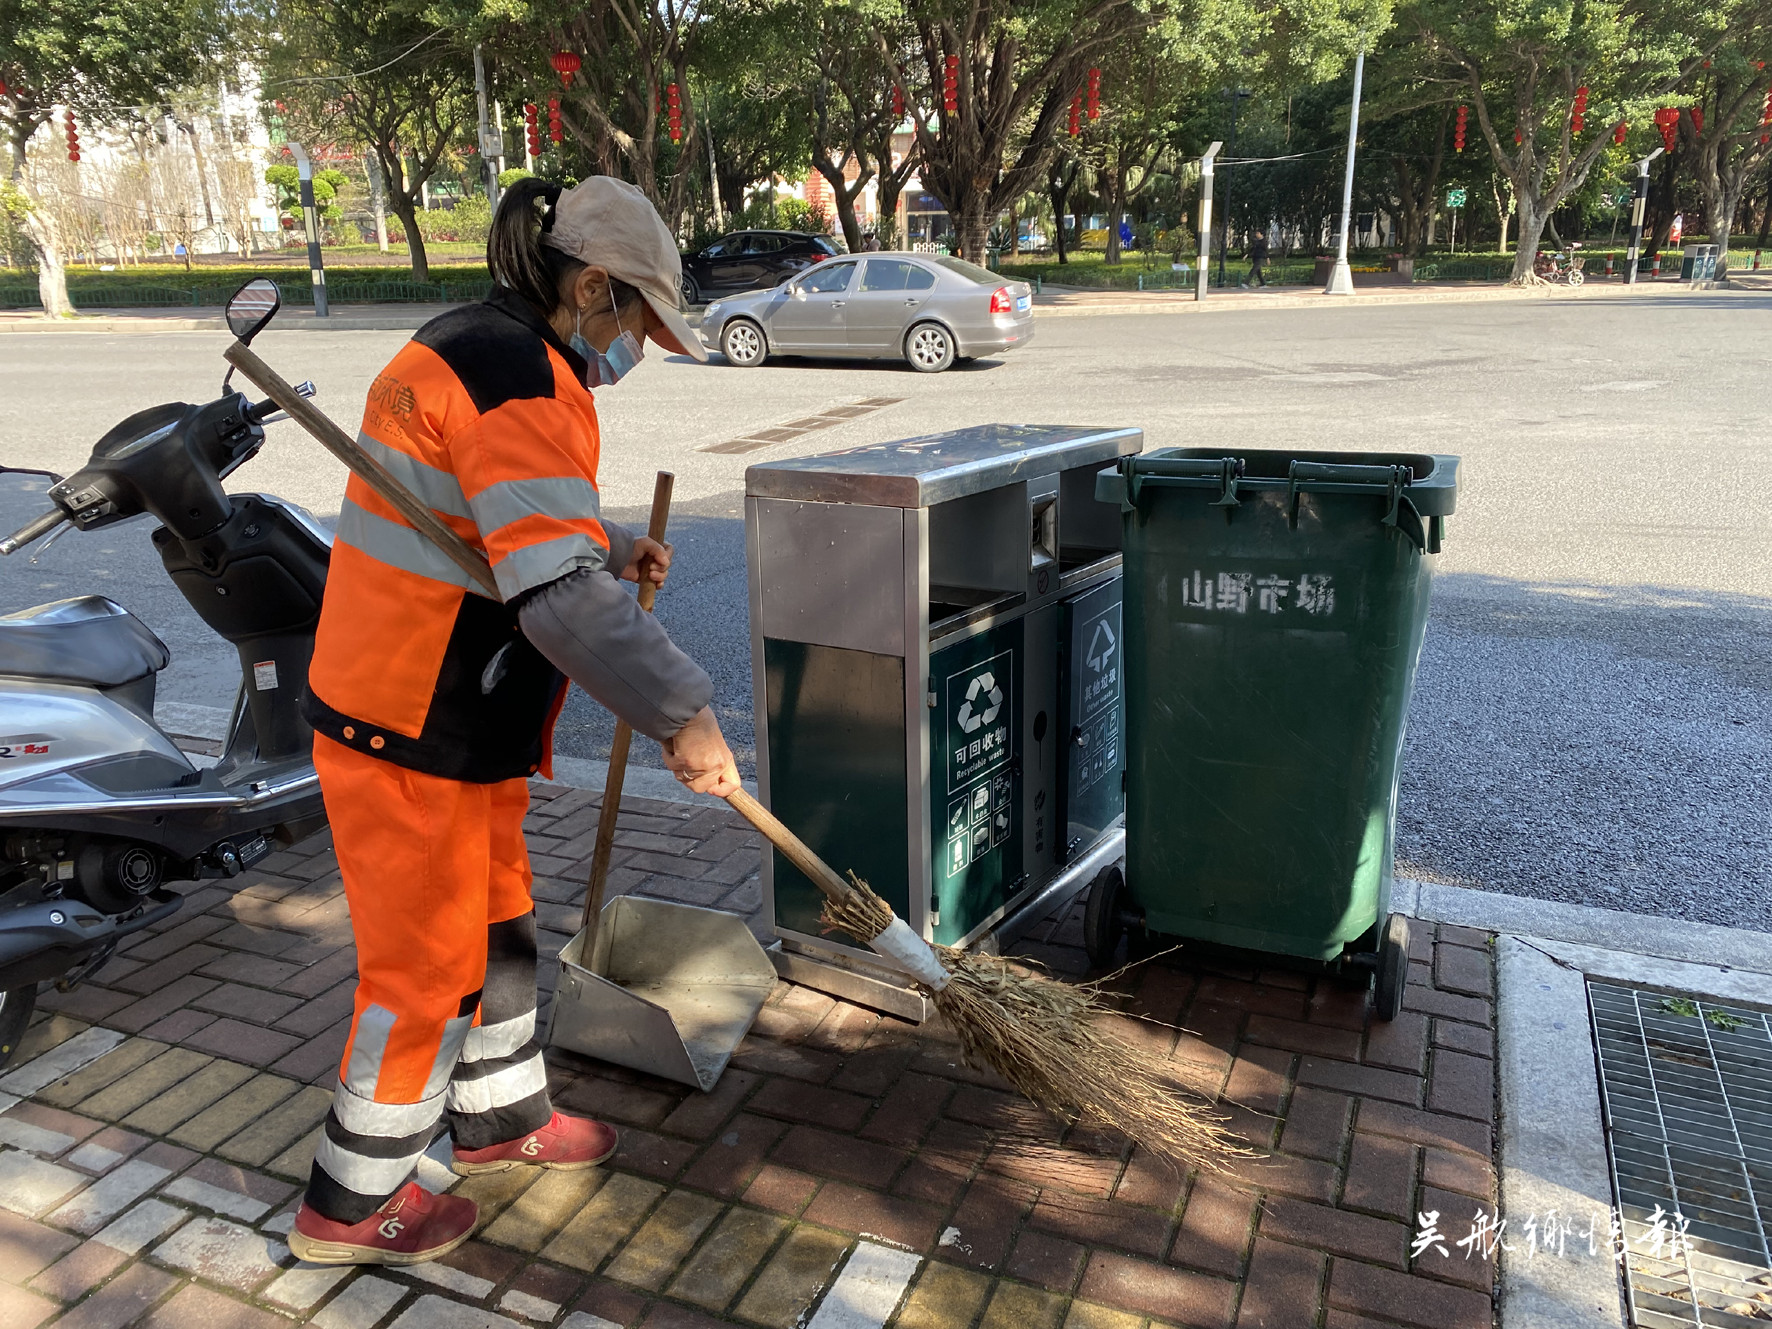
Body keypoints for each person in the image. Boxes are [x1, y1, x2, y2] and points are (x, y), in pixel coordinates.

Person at [287, 176, 741, 1266]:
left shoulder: (464, 345)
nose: (632, 345)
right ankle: (351, 1208)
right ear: (590, 286)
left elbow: (495, 511)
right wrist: (684, 711)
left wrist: (606, 535)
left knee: (496, 930)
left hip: (451, 715)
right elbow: (559, 598)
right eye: (633, 319)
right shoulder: (523, 381)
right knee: (419, 975)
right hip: (410, 724)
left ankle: (498, 1125)